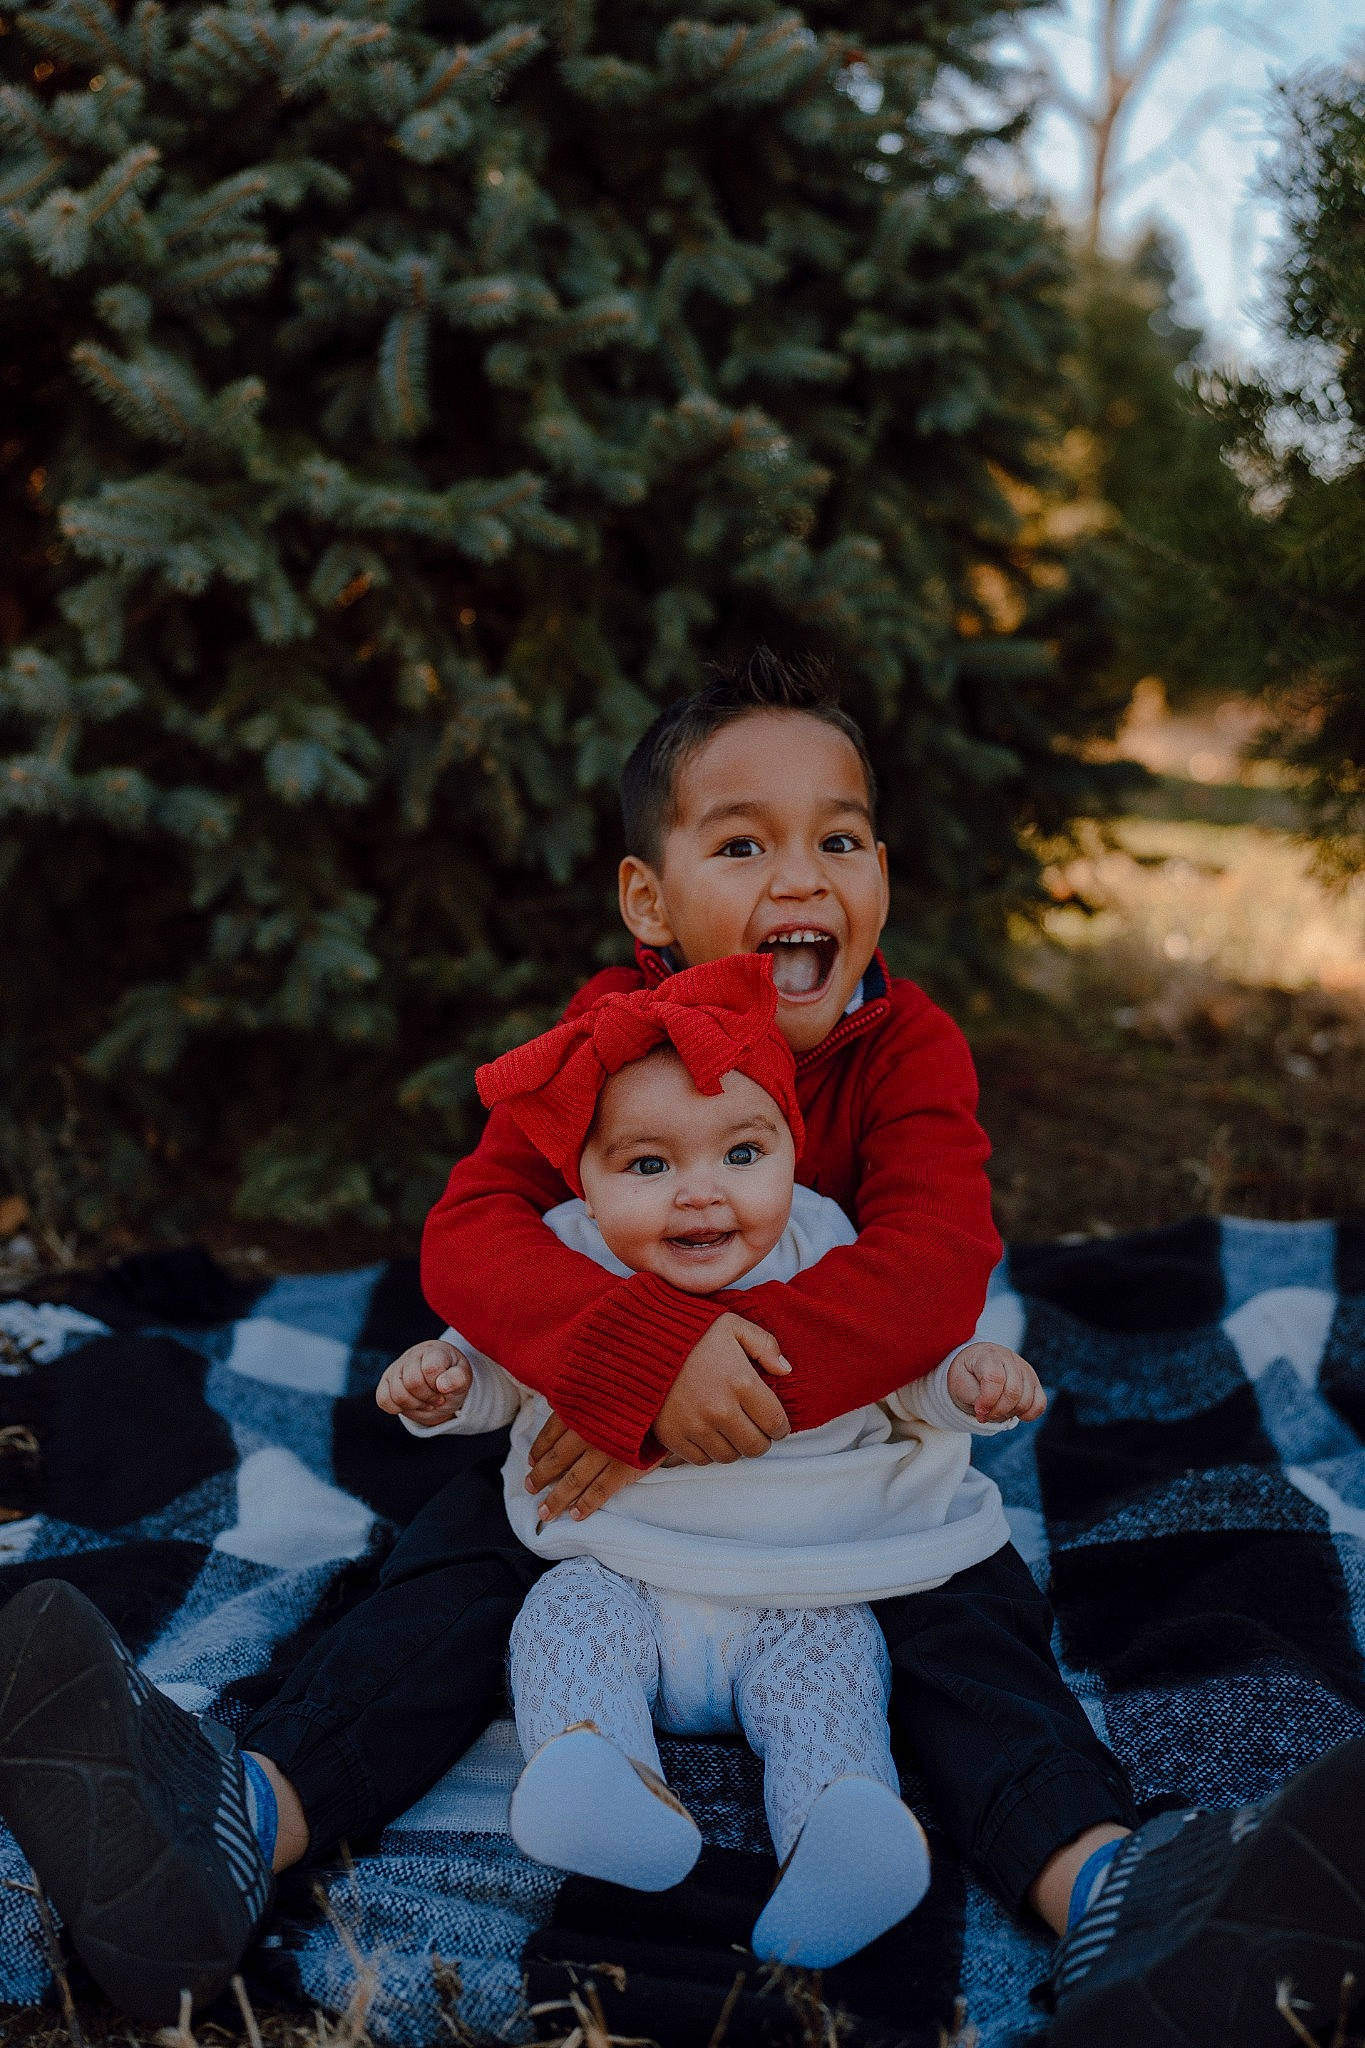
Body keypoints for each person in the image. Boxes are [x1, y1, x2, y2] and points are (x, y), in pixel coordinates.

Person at [0, 651, 1362, 2046]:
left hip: (844, 1494)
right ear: (649, 900)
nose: (801, 875)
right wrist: (630, 1358)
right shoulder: (605, 1042)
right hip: (608, 1518)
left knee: (969, 1626)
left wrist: (686, 1380)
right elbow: (474, 1232)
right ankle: (235, 1827)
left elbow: (931, 1266)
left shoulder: (907, 1053)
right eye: (741, 842)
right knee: (450, 1570)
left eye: (838, 838)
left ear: (881, 872)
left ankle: (1118, 1899)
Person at [377, 950, 1043, 1968]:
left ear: (790, 1146)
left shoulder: (825, 1245)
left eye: (742, 1153)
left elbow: (901, 1364)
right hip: (625, 1570)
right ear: (585, 1181)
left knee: (834, 1669)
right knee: (561, 1620)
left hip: (804, 1578)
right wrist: (448, 1383)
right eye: (647, 1166)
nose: (700, 1194)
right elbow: (506, 1367)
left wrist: (966, 1380)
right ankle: (604, 1778)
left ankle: (839, 1833)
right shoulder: (572, 1252)